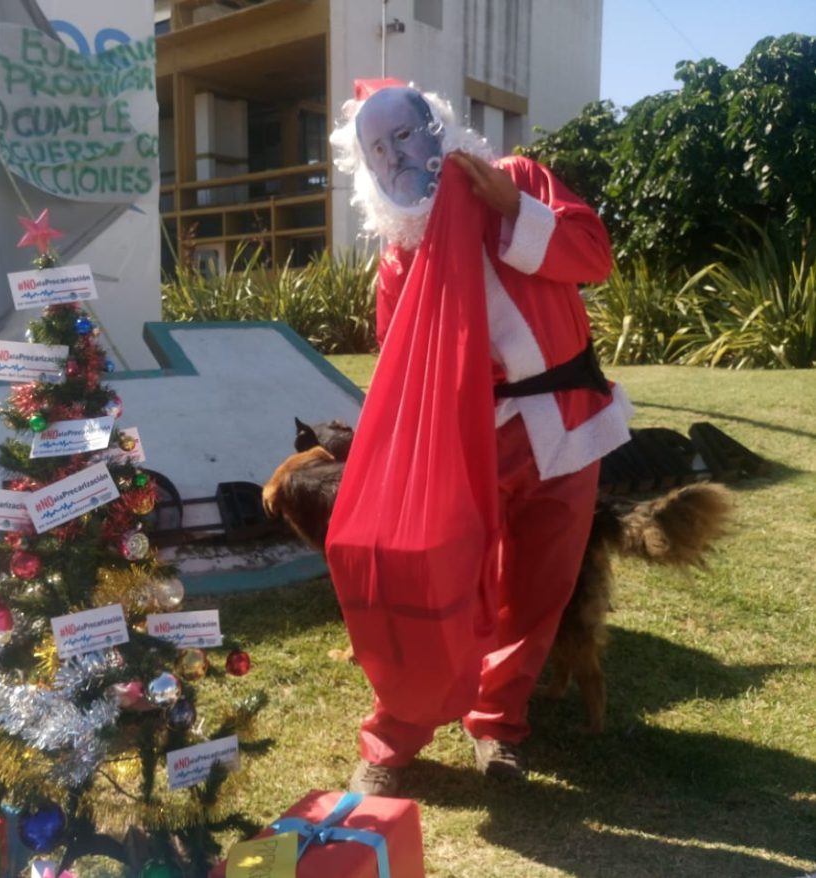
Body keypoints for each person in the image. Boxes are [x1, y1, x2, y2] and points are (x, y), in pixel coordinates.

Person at [327, 80, 634, 795]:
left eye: (405, 135)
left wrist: (510, 207)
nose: (397, 155)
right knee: (433, 577)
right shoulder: (398, 253)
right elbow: (397, 359)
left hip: (565, 423)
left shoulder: (520, 178)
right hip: (464, 436)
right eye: (378, 148)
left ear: (435, 128)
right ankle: (397, 731)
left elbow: (592, 255)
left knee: (539, 588)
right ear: (367, 170)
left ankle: (497, 725)